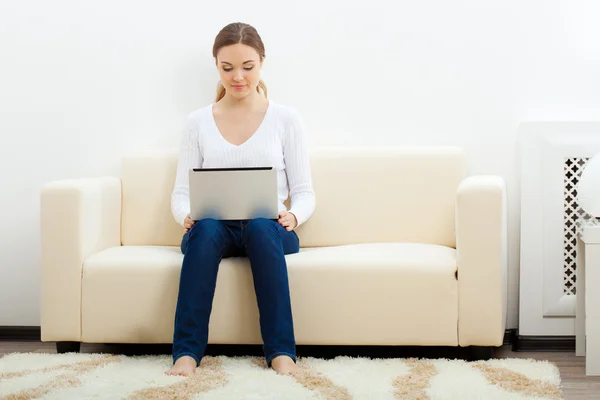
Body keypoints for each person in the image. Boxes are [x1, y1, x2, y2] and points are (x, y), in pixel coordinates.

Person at [166, 22, 316, 377]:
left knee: (263, 228)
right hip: (215, 230)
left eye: (247, 67)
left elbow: (305, 192)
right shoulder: (197, 122)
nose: (238, 78)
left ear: (261, 63)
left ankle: (281, 353)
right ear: (216, 66)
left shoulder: (285, 119)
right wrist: (185, 216)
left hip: (269, 231)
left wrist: (293, 218)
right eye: (227, 68)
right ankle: (186, 354)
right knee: (204, 231)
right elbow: (181, 193)